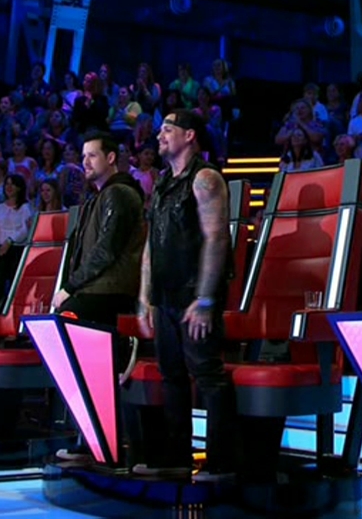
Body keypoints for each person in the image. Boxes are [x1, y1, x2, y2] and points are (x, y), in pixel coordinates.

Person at [134, 110, 238, 481]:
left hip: (194, 295)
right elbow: (151, 244)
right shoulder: (163, 182)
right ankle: (177, 456)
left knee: (207, 374)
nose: (159, 135)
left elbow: (216, 238)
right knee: (171, 376)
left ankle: (222, 461)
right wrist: (144, 297)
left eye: (168, 129)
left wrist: (206, 299)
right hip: (164, 295)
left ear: (189, 135)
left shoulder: (205, 178)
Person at [52, 133, 146, 325]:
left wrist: (69, 287)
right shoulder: (100, 196)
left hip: (109, 290)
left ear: (110, 158)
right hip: (95, 287)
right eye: (84, 156)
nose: (85, 162)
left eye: (92, 156)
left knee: (62, 323)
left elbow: (106, 249)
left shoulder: (118, 193)